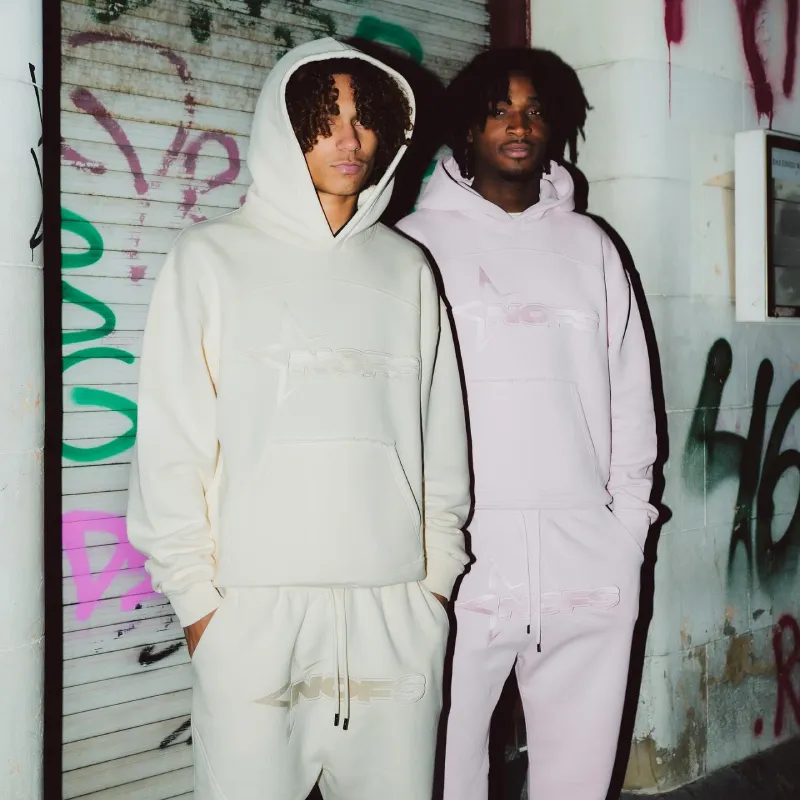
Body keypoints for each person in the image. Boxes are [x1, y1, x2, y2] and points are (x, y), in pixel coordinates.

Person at [127, 37, 470, 800]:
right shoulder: (210, 259)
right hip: (253, 618)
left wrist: (434, 589)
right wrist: (202, 612)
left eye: (364, 118)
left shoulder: (407, 269)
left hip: (394, 613)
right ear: (284, 129)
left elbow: (442, 439)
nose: (348, 139)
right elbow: (172, 446)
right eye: (325, 118)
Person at [397, 48, 658, 800]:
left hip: (587, 551)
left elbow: (630, 390)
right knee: (442, 769)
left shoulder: (591, 246)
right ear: (465, 128)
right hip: (458, 553)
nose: (519, 125)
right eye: (499, 110)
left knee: (578, 775)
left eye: (536, 110)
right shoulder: (415, 244)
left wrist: (626, 528)